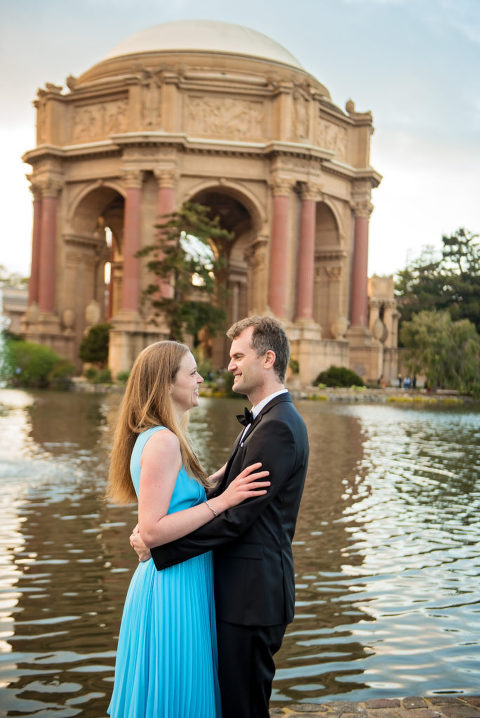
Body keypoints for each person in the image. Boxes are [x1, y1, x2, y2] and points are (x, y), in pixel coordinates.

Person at [131, 316, 310, 718]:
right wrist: (155, 523)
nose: (229, 365)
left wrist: (158, 544)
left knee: (242, 707)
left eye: (237, 356)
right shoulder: (264, 421)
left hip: (252, 597)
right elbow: (223, 495)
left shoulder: (278, 427)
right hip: (239, 594)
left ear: (267, 359)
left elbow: (237, 517)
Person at [106, 340, 270, 718]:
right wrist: (224, 501)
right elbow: (152, 529)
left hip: (179, 579)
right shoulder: (162, 441)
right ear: (166, 385)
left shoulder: (161, 435)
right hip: (171, 589)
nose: (200, 379)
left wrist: (225, 478)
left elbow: (179, 499)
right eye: (192, 372)